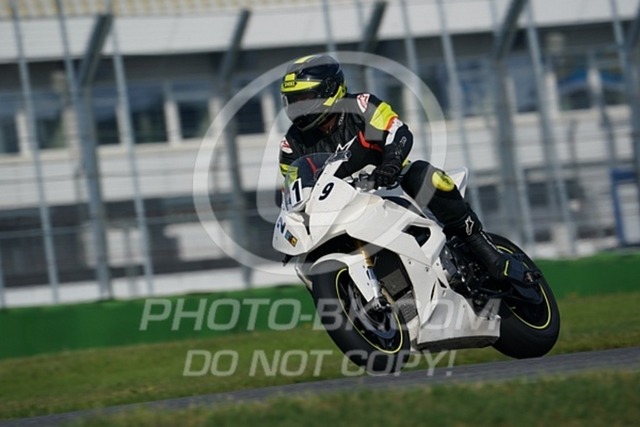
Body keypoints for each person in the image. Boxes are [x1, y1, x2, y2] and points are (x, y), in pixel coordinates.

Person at [278, 54, 530, 284]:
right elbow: (293, 192)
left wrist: (390, 164)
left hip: (389, 185)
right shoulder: (292, 144)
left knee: (424, 175)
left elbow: (397, 131)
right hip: (341, 208)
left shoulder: (362, 107)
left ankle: (486, 250)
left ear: (330, 90)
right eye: (293, 101)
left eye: (305, 99)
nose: (298, 108)